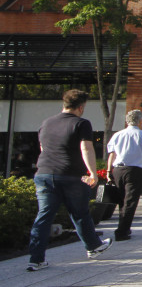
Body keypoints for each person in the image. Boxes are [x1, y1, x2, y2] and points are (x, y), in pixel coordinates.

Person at [27, 89, 113, 272]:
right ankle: (93, 246)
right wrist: (93, 173)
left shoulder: (46, 123)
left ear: (64, 103)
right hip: (70, 175)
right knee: (80, 213)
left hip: (44, 173)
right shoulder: (81, 123)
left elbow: (43, 148)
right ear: (81, 107)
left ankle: (36, 259)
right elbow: (86, 149)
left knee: (44, 216)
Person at [106, 109, 142, 241]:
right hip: (135, 170)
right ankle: (122, 231)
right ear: (140, 121)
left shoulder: (117, 135)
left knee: (122, 200)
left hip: (118, 169)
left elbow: (112, 154)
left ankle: (123, 227)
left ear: (127, 121)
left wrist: (108, 171)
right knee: (130, 201)